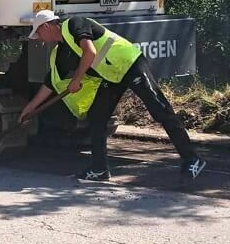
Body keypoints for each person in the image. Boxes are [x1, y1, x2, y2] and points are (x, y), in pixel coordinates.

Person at [19, 10, 205, 183]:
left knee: (159, 108)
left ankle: (192, 159)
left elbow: (90, 51)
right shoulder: (61, 52)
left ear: (47, 26)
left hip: (129, 63)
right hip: (112, 77)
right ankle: (100, 169)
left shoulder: (74, 24)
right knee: (97, 117)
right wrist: (30, 108)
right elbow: (50, 84)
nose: (40, 39)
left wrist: (76, 79)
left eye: (39, 34)